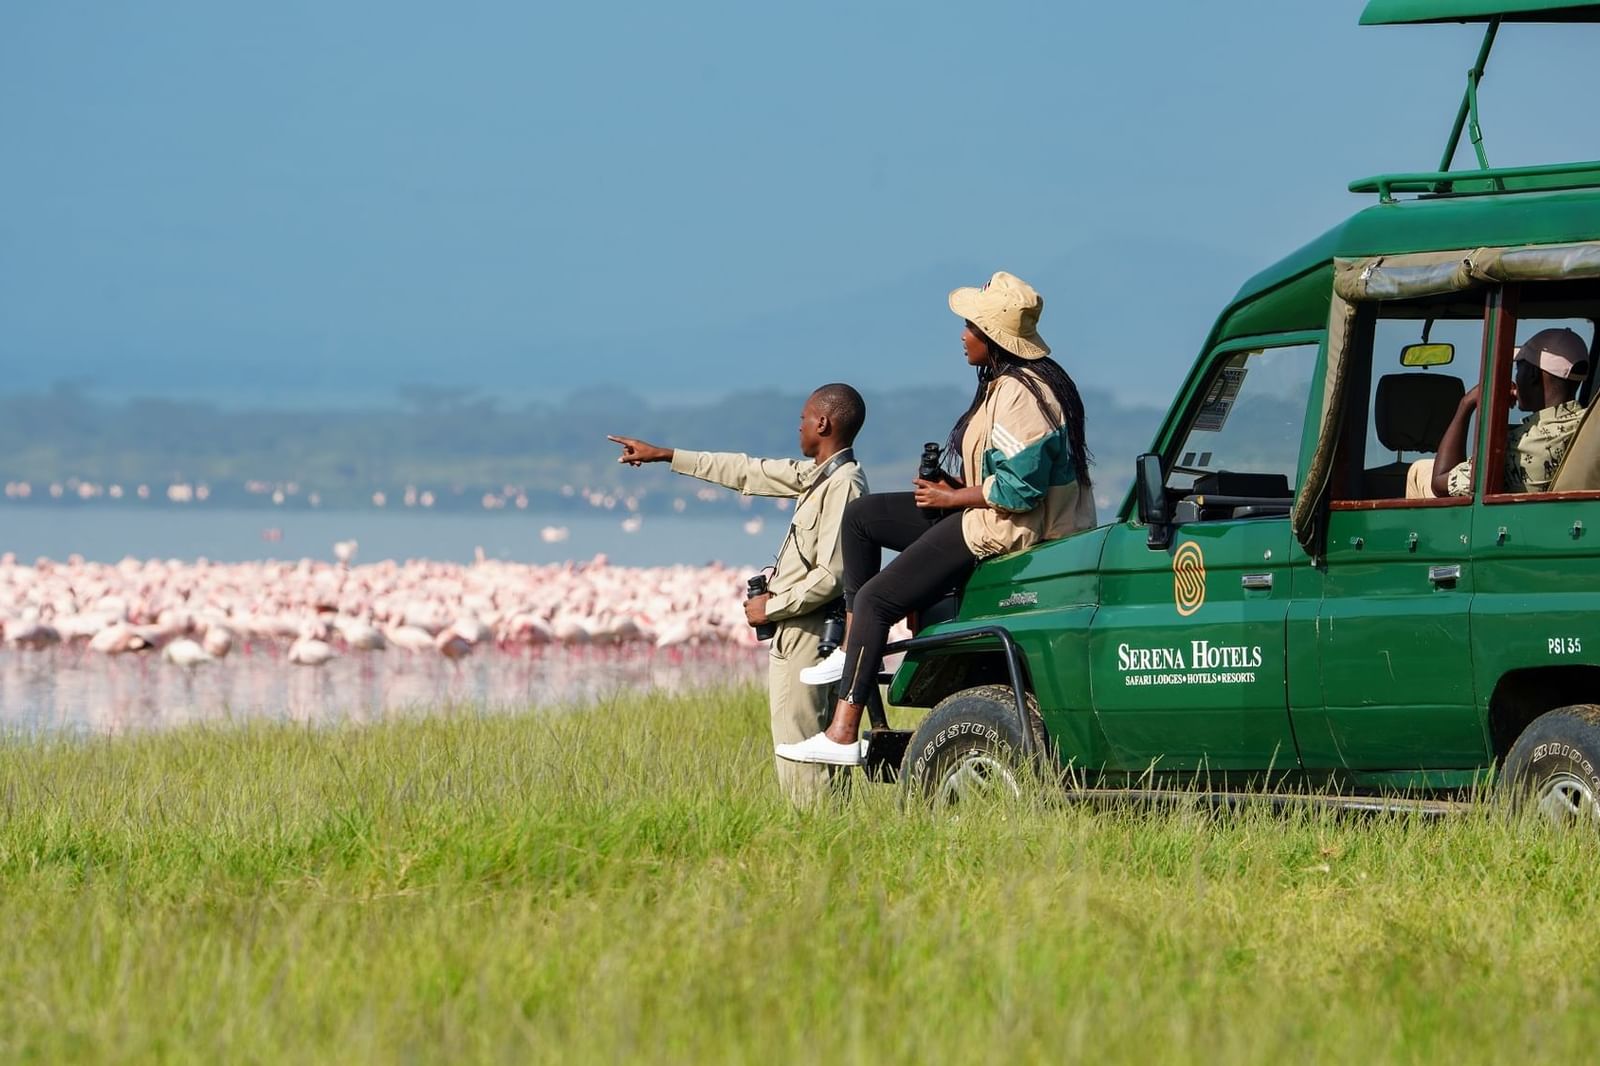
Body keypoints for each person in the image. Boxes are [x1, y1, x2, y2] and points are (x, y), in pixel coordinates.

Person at [776, 272, 1096, 767]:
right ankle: (853, 648)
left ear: (992, 337)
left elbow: (1019, 490)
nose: (962, 335)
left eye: (969, 326)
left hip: (1003, 529)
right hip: (985, 514)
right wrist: (953, 488)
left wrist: (954, 500)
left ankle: (842, 732)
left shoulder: (1020, 397)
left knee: (878, 596)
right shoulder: (1011, 386)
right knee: (863, 518)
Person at [607, 384, 868, 804]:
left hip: (808, 632)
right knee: (802, 743)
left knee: (800, 749)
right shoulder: (817, 477)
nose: (797, 426)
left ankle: (815, 839)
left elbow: (833, 574)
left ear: (822, 423)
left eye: (802, 418)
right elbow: (748, 472)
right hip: (795, 631)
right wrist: (666, 455)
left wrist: (771, 607)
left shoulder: (843, 484)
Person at [1405, 327, 1589, 499]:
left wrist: (1467, 403)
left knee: (1419, 470)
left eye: (1519, 369)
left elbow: (1440, 483)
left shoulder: (1518, 445)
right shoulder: (1588, 425)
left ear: (1533, 374)